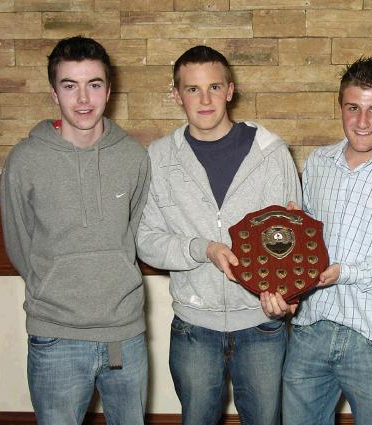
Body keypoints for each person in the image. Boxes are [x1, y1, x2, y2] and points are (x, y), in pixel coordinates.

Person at [136, 45, 301, 425]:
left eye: (214, 87)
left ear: (230, 90)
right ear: (177, 95)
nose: (205, 99)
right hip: (194, 328)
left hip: (261, 324)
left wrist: (289, 295)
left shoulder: (271, 153)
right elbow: (147, 239)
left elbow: (291, 240)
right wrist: (201, 249)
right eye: (193, 89)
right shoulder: (159, 158)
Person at [261, 56, 372, 425]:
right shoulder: (318, 163)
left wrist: (345, 272)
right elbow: (299, 251)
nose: (362, 121)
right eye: (353, 107)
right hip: (311, 330)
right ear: (340, 107)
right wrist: (286, 246)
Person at [0, 36, 151, 425]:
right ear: (54, 93)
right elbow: (19, 244)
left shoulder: (134, 157)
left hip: (124, 334)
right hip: (55, 336)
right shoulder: (24, 161)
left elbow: (131, 235)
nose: (83, 99)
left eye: (94, 84)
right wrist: (55, 285)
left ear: (109, 90)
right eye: (70, 85)